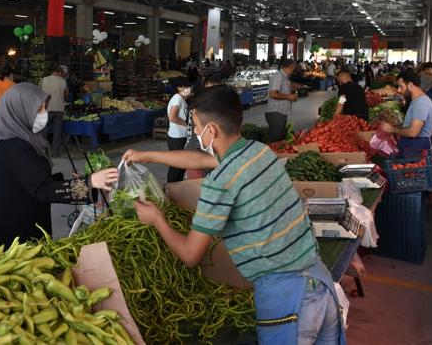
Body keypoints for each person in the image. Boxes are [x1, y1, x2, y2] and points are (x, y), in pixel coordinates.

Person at [122, 85, 345, 345]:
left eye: (194, 124)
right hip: (321, 283)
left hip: (291, 299)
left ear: (211, 130)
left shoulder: (220, 182)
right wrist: (146, 156)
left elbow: (191, 255)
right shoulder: (258, 152)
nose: (193, 130)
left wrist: (157, 219)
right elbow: (198, 160)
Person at [0, 83, 119, 248]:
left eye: (44, 108)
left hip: (17, 217)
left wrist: (67, 182)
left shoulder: (9, 138)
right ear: (20, 109)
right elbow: (42, 189)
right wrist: (89, 183)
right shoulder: (17, 147)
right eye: (38, 109)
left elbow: (26, 179)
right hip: (17, 232)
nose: (43, 114)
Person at [381, 71, 432, 158]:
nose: (398, 90)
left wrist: (392, 129)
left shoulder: (421, 104)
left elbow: (413, 132)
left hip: (417, 149)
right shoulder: (416, 101)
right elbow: (410, 125)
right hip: (412, 149)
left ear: (410, 85)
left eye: (401, 86)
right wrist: (397, 126)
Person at [185, 75, 222, 179]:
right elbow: (192, 133)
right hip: (197, 157)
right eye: (210, 89)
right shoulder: (199, 107)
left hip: (209, 158)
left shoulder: (220, 107)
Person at [265, 59, 298, 143]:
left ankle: (276, 155)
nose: (293, 71)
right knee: (274, 141)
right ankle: (271, 155)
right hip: (276, 113)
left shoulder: (284, 77)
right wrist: (289, 96)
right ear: (291, 67)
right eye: (293, 69)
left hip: (281, 112)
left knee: (279, 140)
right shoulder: (278, 76)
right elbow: (273, 94)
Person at [38, 66, 68, 157]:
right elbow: (66, 94)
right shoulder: (63, 81)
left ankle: (42, 152)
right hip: (59, 109)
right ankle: (55, 152)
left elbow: (38, 93)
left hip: (46, 109)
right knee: (57, 132)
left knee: (43, 131)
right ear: (59, 73)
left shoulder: (43, 80)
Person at [166, 76, 191, 183]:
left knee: (181, 165)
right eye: (187, 87)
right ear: (179, 88)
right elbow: (172, 117)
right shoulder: (177, 98)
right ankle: (171, 188)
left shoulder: (181, 98)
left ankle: (178, 187)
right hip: (176, 136)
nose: (189, 88)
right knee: (176, 165)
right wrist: (185, 125)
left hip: (180, 135)